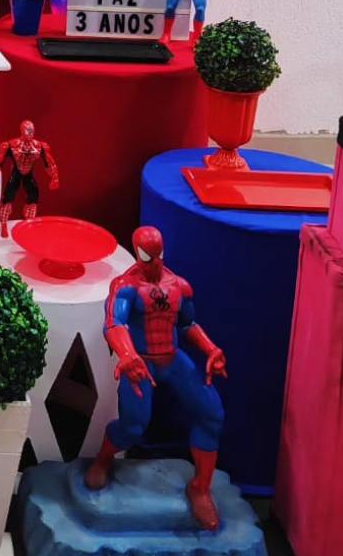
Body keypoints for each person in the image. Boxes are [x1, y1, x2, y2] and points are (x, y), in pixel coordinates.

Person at [85, 226, 228, 531]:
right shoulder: (125, 287)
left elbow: (188, 325)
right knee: (133, 426)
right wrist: (127, 355)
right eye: (146, 256)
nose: (154, 262)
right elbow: (114, 323)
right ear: (137, 254)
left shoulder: (180, 286)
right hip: (140, 364)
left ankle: (200, 487)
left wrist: (211, 348)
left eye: (157, 255)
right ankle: (103, 458)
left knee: (211, 414)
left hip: (173, 359)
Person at [0, 121, 59, 236]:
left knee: (33, 197)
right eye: (28, 130)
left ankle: (29, 224)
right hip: (16, 173)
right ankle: (3, 225)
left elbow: (50, 164)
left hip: (29, 174)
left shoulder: (40, 146)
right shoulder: (10, 145)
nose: (30, 133)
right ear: (22, 130)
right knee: (7, 198)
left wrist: (55, 178)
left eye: (32, 130)